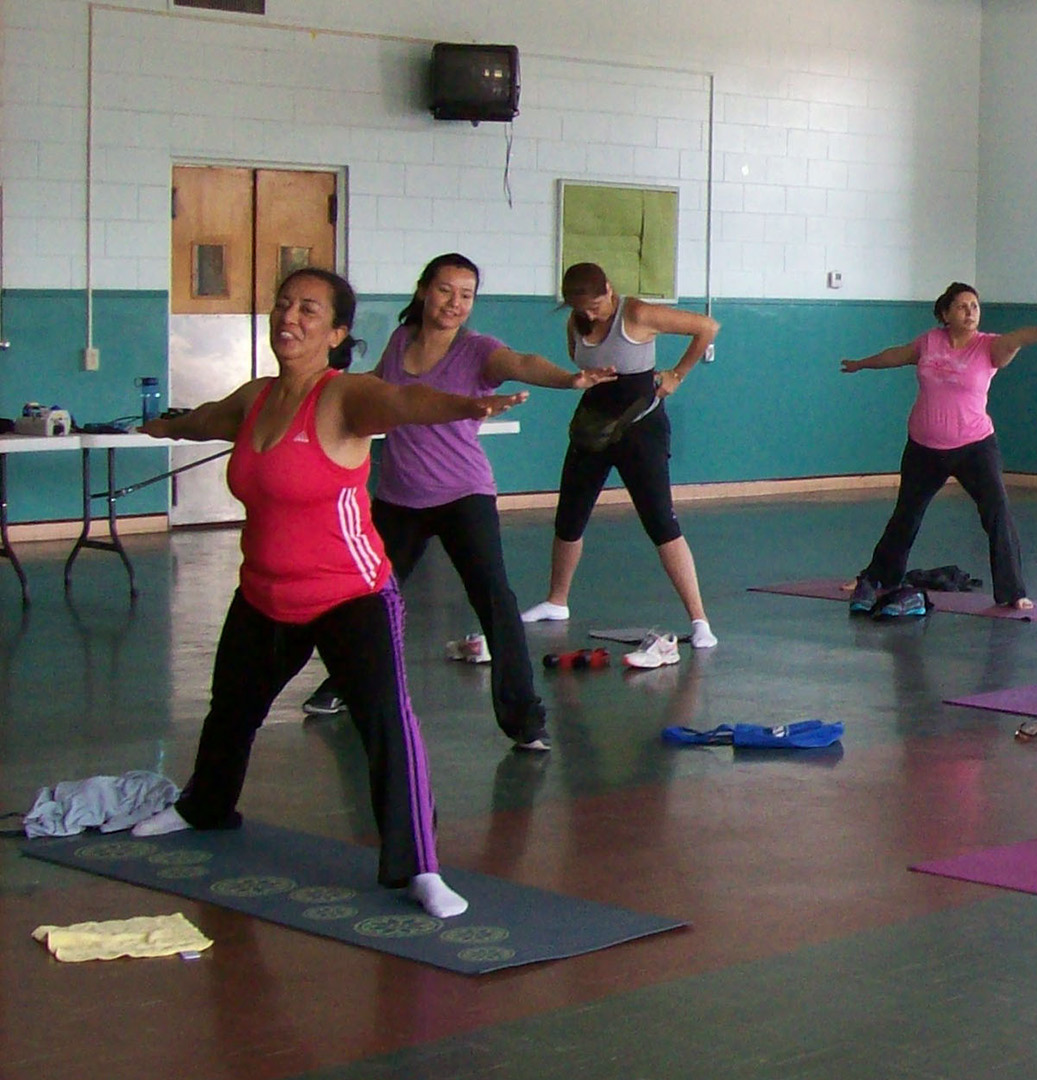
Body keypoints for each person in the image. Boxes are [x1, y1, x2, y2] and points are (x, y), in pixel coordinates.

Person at [128, 268, 526, 917]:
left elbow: (404, 403)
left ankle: (420, 867)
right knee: (230, 709)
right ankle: (204, 808)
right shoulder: (256, 399)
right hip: (263, 592)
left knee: (386, 727)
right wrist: (164, 426)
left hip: (350, 595)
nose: (290, 317)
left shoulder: (344, 398)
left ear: (338, 332)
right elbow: (206, 420)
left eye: (309, 310)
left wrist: (465, 405)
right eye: (283, 304)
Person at [298, 253, 616, 748]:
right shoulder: (401, 341)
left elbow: (520, 363)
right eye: (446, 290)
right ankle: (341, 682)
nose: (455, 303)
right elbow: (380, 397)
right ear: (424, 290)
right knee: (364, 599)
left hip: (462, 494)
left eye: (466, 295)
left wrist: (570, 379)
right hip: (400, 497)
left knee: (495, 601)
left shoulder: (477, 351)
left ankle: (524, 719)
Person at [519, 262, 720, 666]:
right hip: (595, 425)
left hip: (641, 427)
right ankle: (557, 601)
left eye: (594, 305)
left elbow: (707, 327)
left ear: (609, 289)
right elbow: (582, 365)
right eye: (580, 308)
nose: (589, 314)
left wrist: (677, 374)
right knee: (570, 516)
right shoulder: (575, 323)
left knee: (661, 523)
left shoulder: (636, 313)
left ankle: (700, 621)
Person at [842, 282, 1037, 611]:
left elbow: (1017, 338)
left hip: (974, 448)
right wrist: (861, 364)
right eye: (962, 306)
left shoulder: (989, 347)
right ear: (945, 313)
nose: (970, 312)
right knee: (905, 516)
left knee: (997, 513)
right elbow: (896, 355)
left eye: (975, 307)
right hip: (924, 447)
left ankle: (1013, 591)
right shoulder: (929, 341)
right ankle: (879, 578)